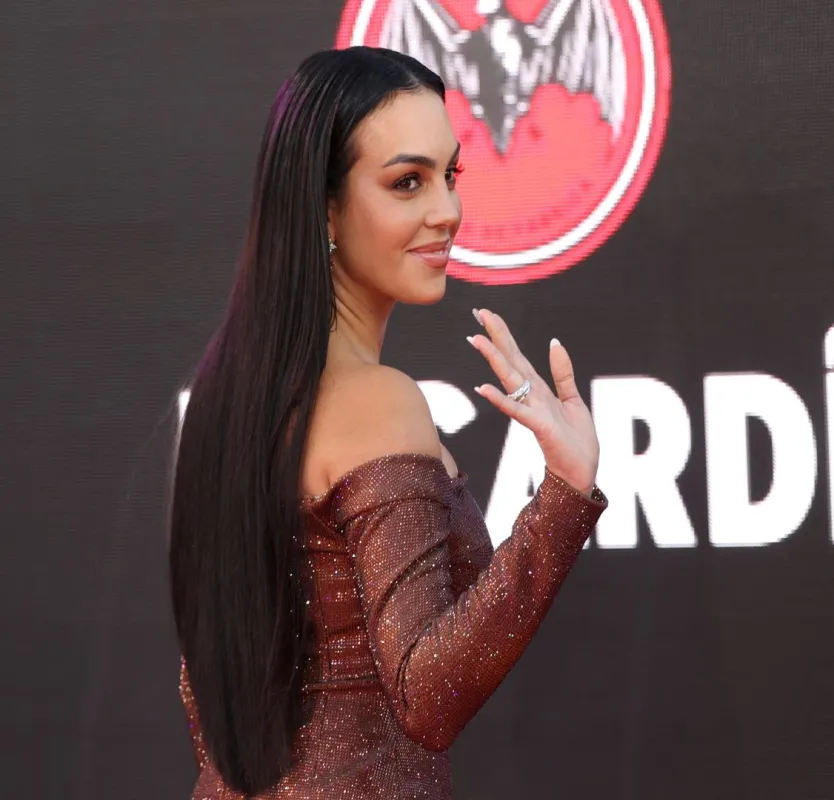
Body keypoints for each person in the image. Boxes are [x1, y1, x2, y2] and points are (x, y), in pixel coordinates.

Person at [169, 47, 607, 799]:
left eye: (450, 174)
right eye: (407, 182)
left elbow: (204, 697)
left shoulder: (225, 404)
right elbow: (427, 693)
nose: (447, 210)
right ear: (326, 207)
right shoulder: (378, 401)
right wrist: (565, 493)